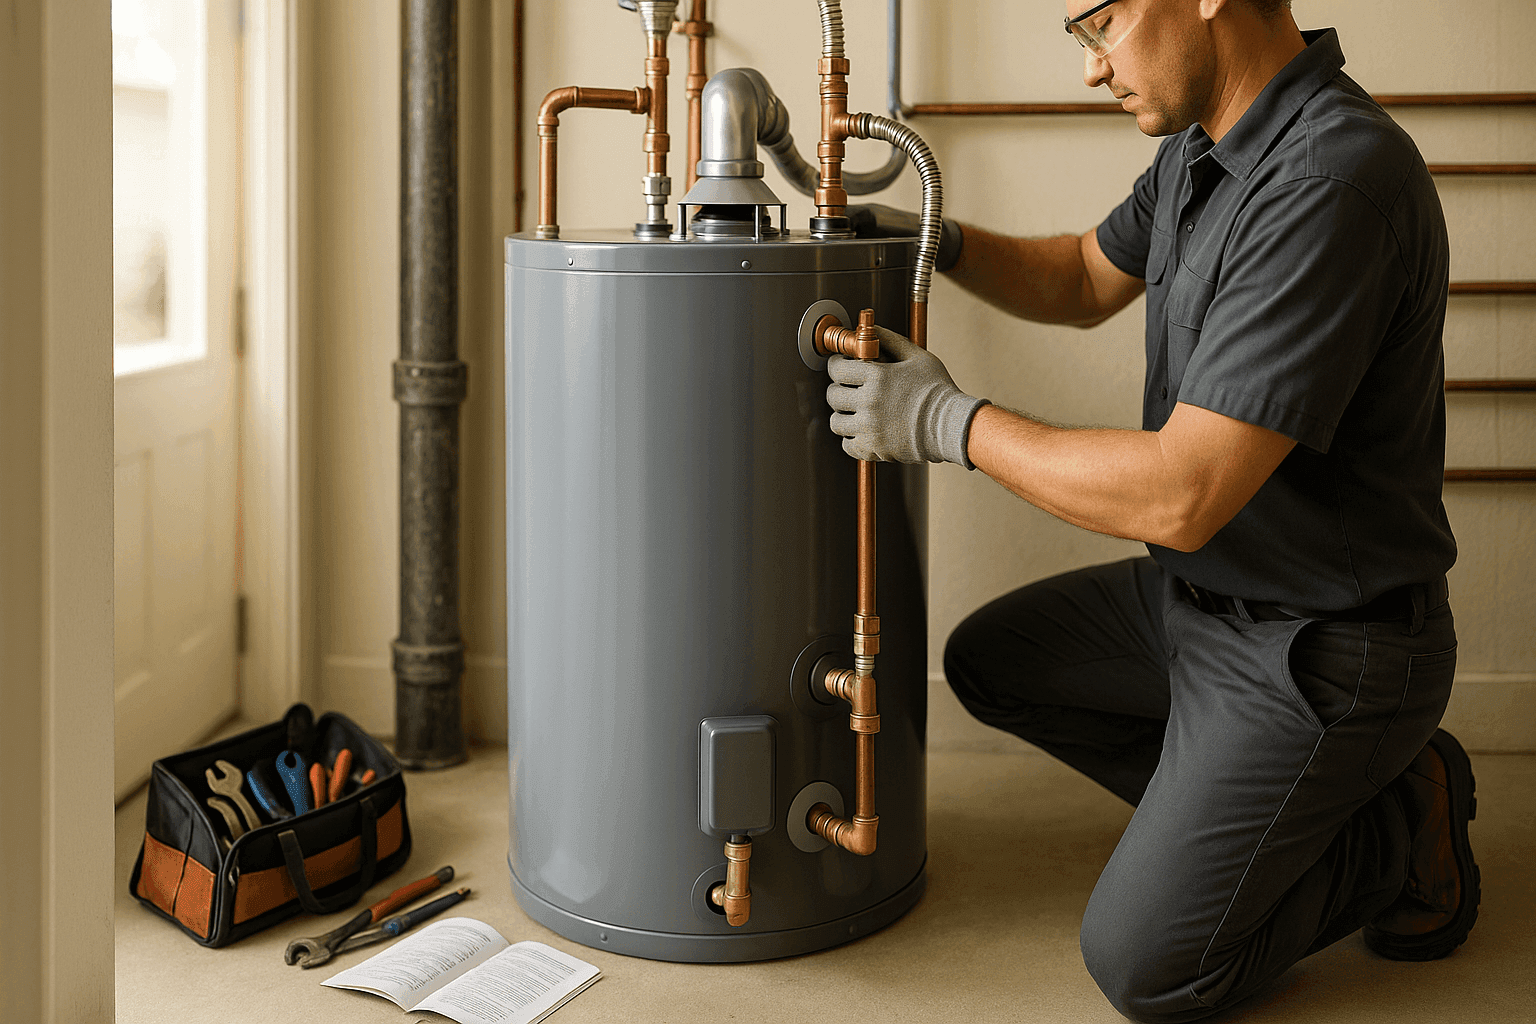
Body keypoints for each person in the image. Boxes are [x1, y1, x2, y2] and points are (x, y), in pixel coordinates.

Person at [832, 1, 1478, 1021]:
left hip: (1322, 644)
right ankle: (1270, 803)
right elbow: (1085, 276)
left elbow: (1182, 493)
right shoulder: (1199, 152)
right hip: (1196, 604)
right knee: (991, 662)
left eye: (1105, 24)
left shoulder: (1332, 178)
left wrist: (948, 421)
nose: (1094, 70)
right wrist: (937, 239)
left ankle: (1390, 823)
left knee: (1148, 965)